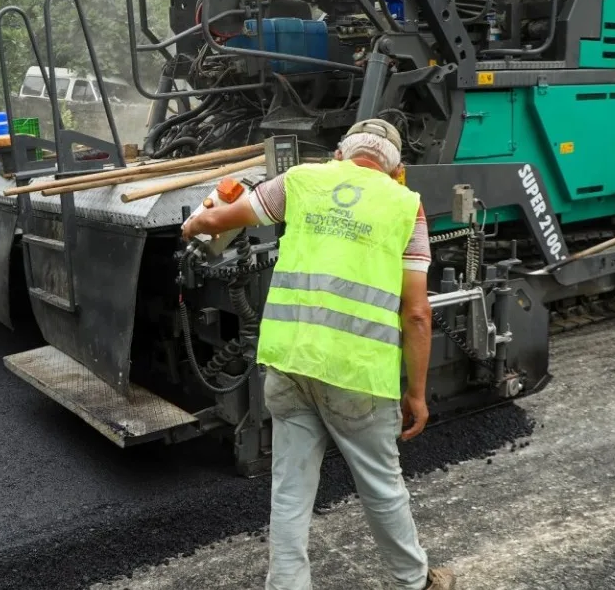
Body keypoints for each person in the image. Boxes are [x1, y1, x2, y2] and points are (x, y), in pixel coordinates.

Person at [180, 119, 456, 590]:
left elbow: (219, 220)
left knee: (290, 492)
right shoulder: (405, 206)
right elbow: (416, 314)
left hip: (289, 364)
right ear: (396, 170)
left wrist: (195, 223)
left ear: (339, 154)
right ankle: (414, 582)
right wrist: (416, 393)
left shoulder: (301, 180)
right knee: (381, 487)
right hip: (357, 375)